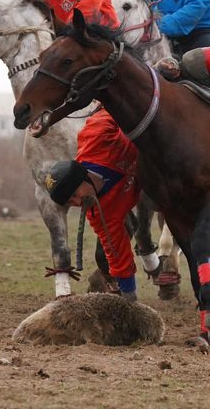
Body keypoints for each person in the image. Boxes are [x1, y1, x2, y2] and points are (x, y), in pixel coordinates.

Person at [42, 109, 147, 301]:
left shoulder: (95, 137)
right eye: (70, 203)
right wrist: (129, 299)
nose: (77, 203)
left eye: (74, 195)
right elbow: (117, 254)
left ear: (84, 177)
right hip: (153, 182)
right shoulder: (98, 214)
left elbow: (119, 106)